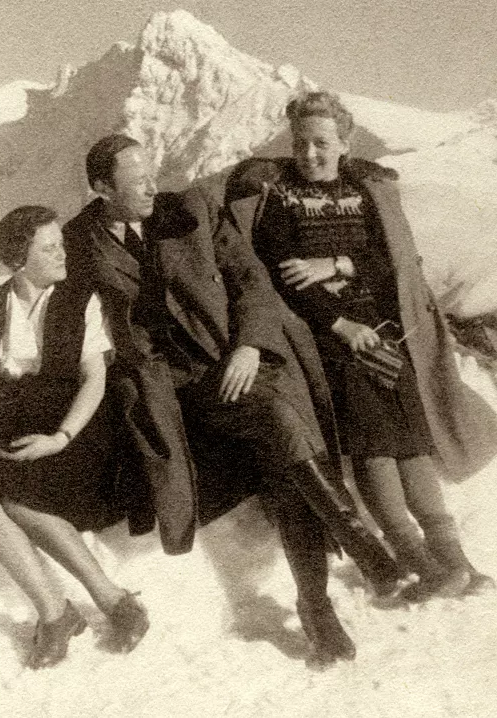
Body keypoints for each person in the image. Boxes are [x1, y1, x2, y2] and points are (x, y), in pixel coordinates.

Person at [63, 134, 404, 666]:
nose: (153, 185)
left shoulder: (190, 210)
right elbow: (52, 314)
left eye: (152, 172)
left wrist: (248, 345)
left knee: (277, 443)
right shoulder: (78, 242)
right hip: (163, 392)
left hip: (227, 363)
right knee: (277, 436)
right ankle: (352, 551)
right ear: (102, 188)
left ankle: (324, 595)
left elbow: (252, 280)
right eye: (136, 182)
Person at [226, 90, 497, 602]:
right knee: (375, 447)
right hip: (329, 339)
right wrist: (342, 326)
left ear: (345, 143)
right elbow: (284, 280)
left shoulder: (365, 191)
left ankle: (452, 554)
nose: (309, 153)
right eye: (301, 143)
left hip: (390, 332)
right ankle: (414, 557)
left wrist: (335, 265)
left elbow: (388, 263)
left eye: (321, 143)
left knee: (413, 443)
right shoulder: (280, 198)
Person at [0, 206, 148, 668]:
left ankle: (112, 598)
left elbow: (94, 379)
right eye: (50, 247)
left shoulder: (83, 299)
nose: (63, 253)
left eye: (60, 243)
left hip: (81, 427)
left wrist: (60, 437)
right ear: (19, 258)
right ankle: (54, 612)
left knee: (22, 501)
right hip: (18, 425)